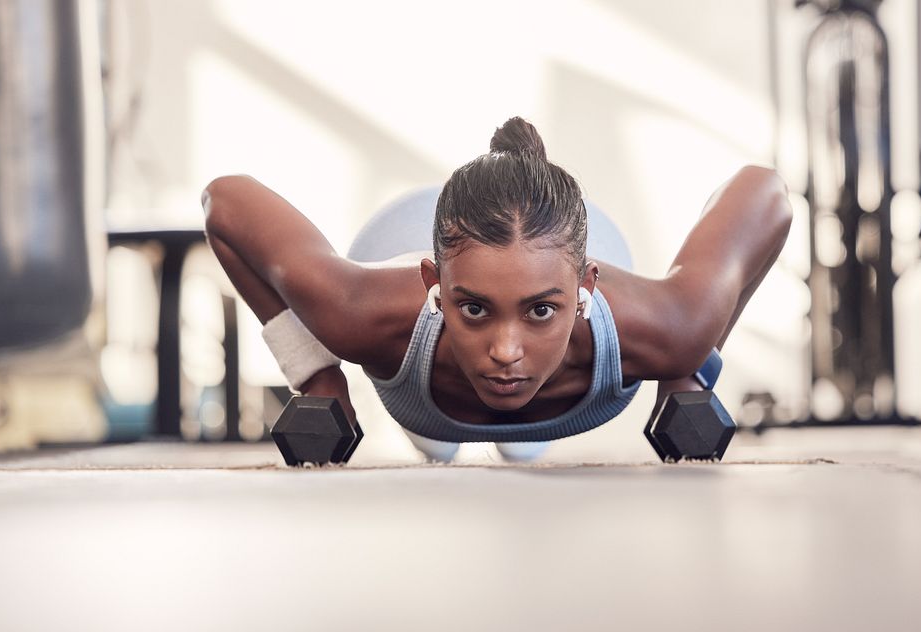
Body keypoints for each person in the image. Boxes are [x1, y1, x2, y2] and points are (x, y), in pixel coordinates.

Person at [202, 117, 792, 462]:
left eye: (540, 313)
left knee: (525, 452)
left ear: (586, 289)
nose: (505, 351)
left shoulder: (670, 329)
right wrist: (316, 374)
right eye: (474, 310)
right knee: (435, 449)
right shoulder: (362, 316)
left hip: (569, 246)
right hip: (411, 246)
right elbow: (224, 202)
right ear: (435, 288)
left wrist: (689, 367)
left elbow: (767, 193)